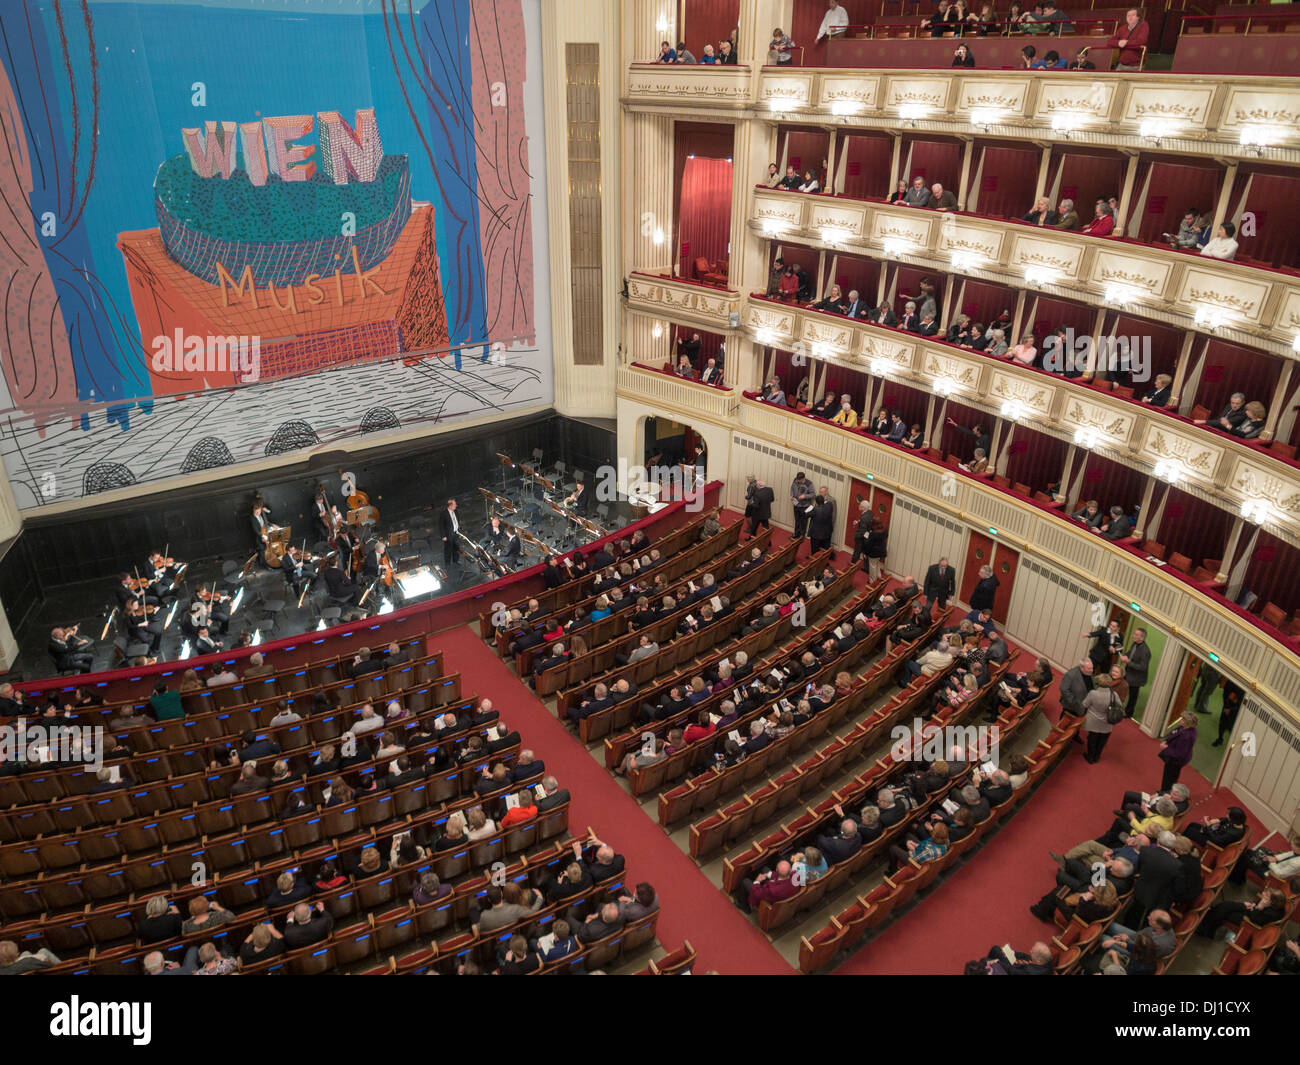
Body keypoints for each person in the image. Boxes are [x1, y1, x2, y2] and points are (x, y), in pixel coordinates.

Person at [1158, 711, 1198, 791]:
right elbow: (1173, 734)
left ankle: (1165, 793)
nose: (1181, 720)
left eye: (1183, 719)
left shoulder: (1186, 737)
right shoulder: (1183, 728)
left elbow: (1179, 753)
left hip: (1176, 761)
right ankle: (1164, 791)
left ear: (1188, 723)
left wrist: (1165, 748)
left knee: (1170, 778)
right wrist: (1166, 741)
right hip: (1174, 758)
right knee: (1167, 776)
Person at [1212, 681, 1243, 747]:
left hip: (1235, 710)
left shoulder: (1243, 688)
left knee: (1232, 727)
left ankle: (1232, 744)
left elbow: (1242, 703)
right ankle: (1220, 738)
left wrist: (1231, 710)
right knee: (1222, 723)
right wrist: (1226, 706)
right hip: (1227, 706)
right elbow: (1225, 694)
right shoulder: (1230, 682)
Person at [440, 498, 461, 571]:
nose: (456, 506)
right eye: (455, 504)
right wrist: (443, 536)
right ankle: (447, 563)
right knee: (448, 549)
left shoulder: (456, 511)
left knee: (456, 548)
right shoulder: (444, 514)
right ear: (450, 506)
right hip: (448, 535)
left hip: (456, 533)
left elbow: (457, 520)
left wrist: (459, 527)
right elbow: (441, 526)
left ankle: (456, 560)